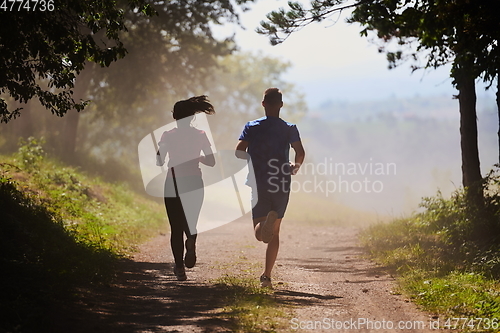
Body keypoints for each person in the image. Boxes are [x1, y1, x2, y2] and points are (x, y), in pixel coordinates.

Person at [235, 88, 305, 287]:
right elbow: (300, 152)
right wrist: (295, 167)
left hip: (259, 181)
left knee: (260, 231)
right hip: (281, 180)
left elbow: (239, 151)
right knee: (275, 232)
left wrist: (253, 160)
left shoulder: (252, 126)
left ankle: (263, 226)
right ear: (281, 105)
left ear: (263, 104)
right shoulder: (290, 128)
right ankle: (266, 276)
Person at [156, 96, 216, 281]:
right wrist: (197, 158)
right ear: (192, 117)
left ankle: (180, 269)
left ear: (174, 116)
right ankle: (191, 243)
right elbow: (211, 161)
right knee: (190, 223)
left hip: (173, 182)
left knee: (176, 228)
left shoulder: (168, 135)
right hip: (194, 182)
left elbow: (159, 160)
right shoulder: (200, 135)